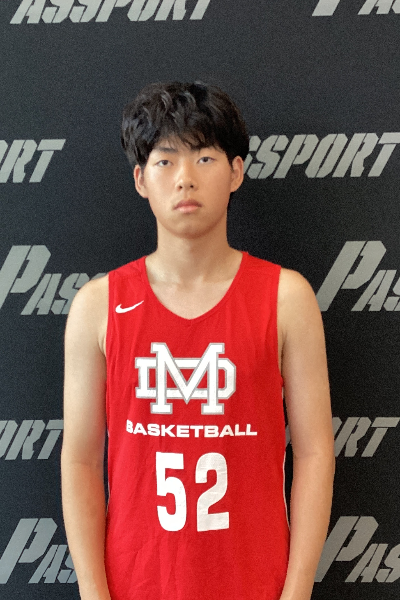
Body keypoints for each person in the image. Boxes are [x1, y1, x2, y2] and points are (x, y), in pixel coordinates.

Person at [61, 81, 335, 600]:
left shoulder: (286, 298)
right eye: (165, 161)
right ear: (141, 179)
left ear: (236, 171)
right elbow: (80, 460)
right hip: (135, 585)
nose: (185, 178)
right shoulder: (98, 306)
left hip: (257, 585)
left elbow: (316, 452)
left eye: (204, 158)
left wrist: (297, 590)